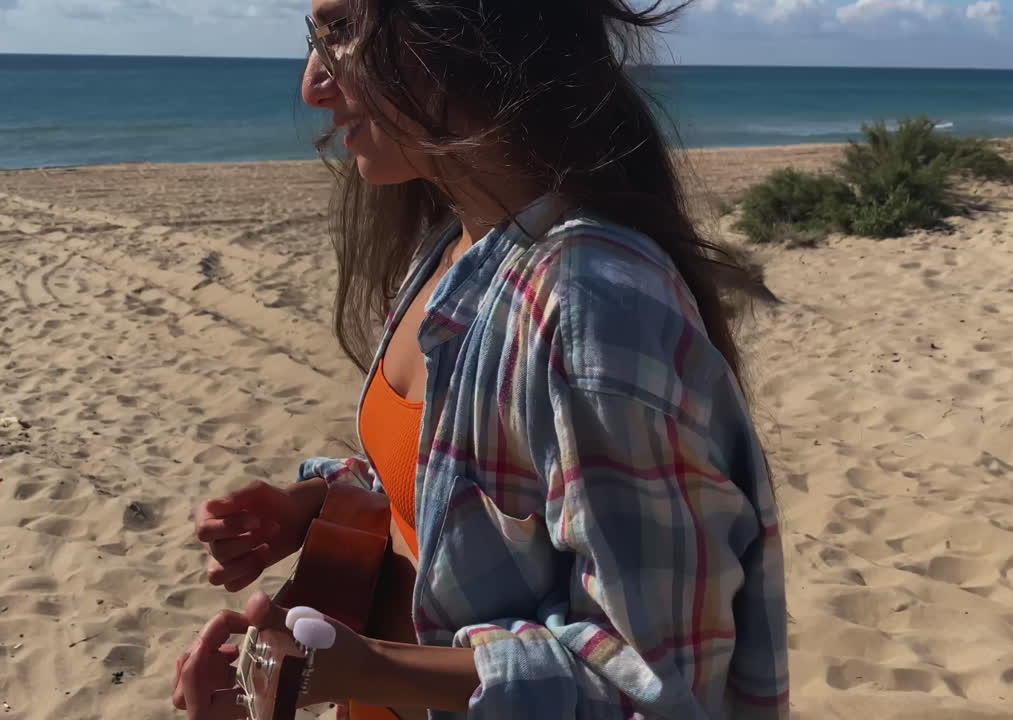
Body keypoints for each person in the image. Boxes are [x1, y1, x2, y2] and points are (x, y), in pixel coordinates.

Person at [172, 0, 788, 718]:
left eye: (341, 29)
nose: (313, 83)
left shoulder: (592, 308)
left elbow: (655, 685)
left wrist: (366, 670)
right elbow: (442, 488)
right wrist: (308, 511)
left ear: (463, 26)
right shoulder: (453, 251)